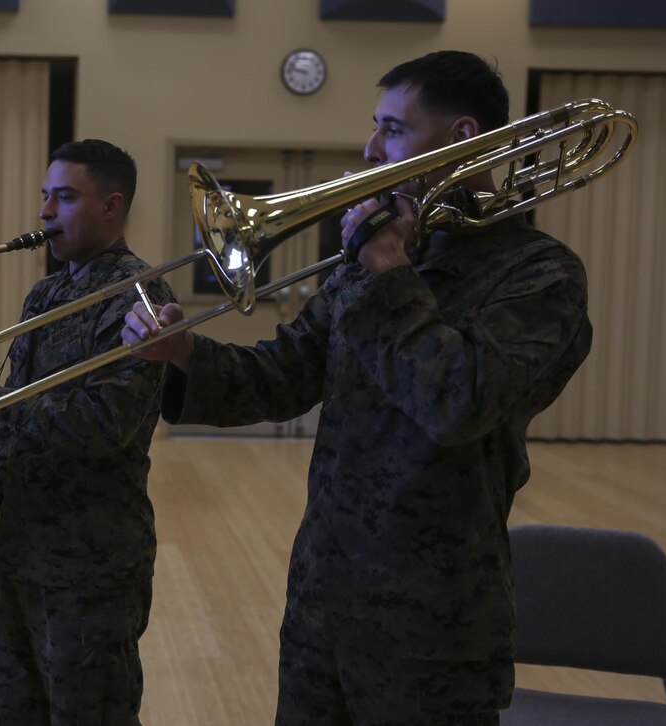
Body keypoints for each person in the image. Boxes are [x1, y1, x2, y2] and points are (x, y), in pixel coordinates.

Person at [122, 51, 593, 724]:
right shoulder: (376, 257)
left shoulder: (539, 274)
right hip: (324, 601)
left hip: (434, 627)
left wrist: (388, 271)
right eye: (374, 127)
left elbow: (458, 402)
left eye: (393, 129)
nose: (369, 149)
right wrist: (186, 352)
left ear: (462, 137)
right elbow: (285, 376)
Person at [0, 138, 175, 725]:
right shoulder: (46, 293)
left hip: (93, 565)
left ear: (112, 206)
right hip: (20, 553)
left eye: (64, 197)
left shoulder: (139, 297)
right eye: (45, 196)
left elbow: (107, 425)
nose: (43, 213)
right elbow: (15, 432)